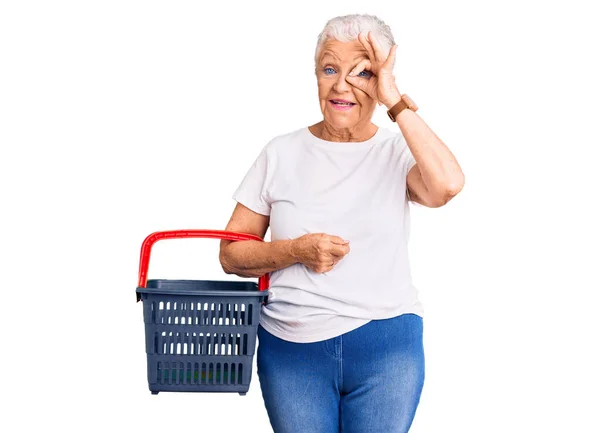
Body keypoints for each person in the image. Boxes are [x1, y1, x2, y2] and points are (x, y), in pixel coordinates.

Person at [219, 13, 464, 433]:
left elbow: (447, 185)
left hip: (386, 347)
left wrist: (394, 100)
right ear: (315, 75)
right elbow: (231, 254)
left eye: (361, 73)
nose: (340, 86)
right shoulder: (280, 153)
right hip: (292, 348)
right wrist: (296, 250)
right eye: (329, 69)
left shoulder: (397, 151)